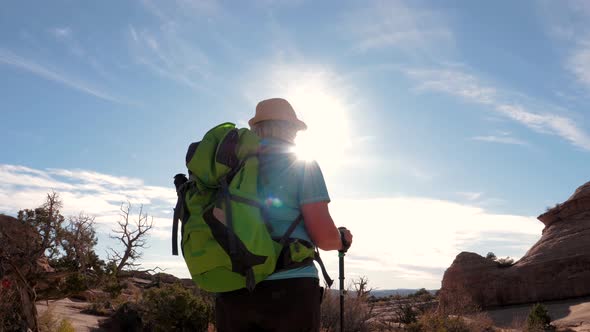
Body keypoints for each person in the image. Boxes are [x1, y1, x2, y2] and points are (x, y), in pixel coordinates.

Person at [214, 98, 353, 332]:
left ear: (256, 128)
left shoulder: (230, 167)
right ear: (289, 128)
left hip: (232, 288)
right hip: (289, 287)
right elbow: (324, 238)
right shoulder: (300, 164)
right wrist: (342, 240)